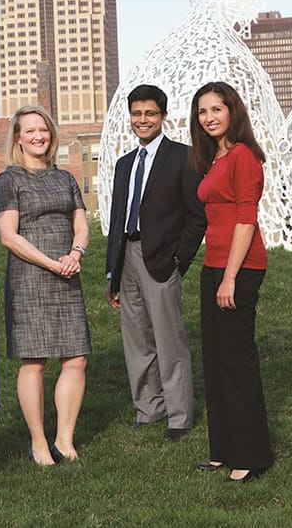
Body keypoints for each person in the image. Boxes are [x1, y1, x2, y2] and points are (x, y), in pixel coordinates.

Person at [0, 105, 91, 466]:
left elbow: (81, 224)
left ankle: (65, 440)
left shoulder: (65, 179)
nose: (38, 136)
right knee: (34, 361)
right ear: (17, 138)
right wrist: (52, 263)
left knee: (76, 358)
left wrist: (75, 254)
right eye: (30, 130)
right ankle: (38, 443)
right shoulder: (8, 180)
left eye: (43, 130)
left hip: (68, 271)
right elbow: (8, 236)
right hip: (31, 276)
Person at [105, 84, 206, 441]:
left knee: (169, 339)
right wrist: (111, 273)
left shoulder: (184, 157)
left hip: (162, 257)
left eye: (150, 113)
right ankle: (148, 408)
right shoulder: (124, 164)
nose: (142, 119)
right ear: (130, 118)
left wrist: (180, 259)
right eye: (137, 114)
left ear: (163, 116)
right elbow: (117, 219)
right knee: (136, 340)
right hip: (127, 257)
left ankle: (179, 415)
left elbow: (197, 217)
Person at [189, 81, 273, 483]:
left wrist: (230, 278)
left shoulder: (243, 157)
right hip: (214, 266)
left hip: (240, 268)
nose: (209, 118)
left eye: (216, 110)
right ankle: (223, 449)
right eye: (202, 112)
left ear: (231, 111)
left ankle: (251, 455)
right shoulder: (214, 158)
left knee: (237, 361)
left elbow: (246, 219)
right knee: (216, 359)